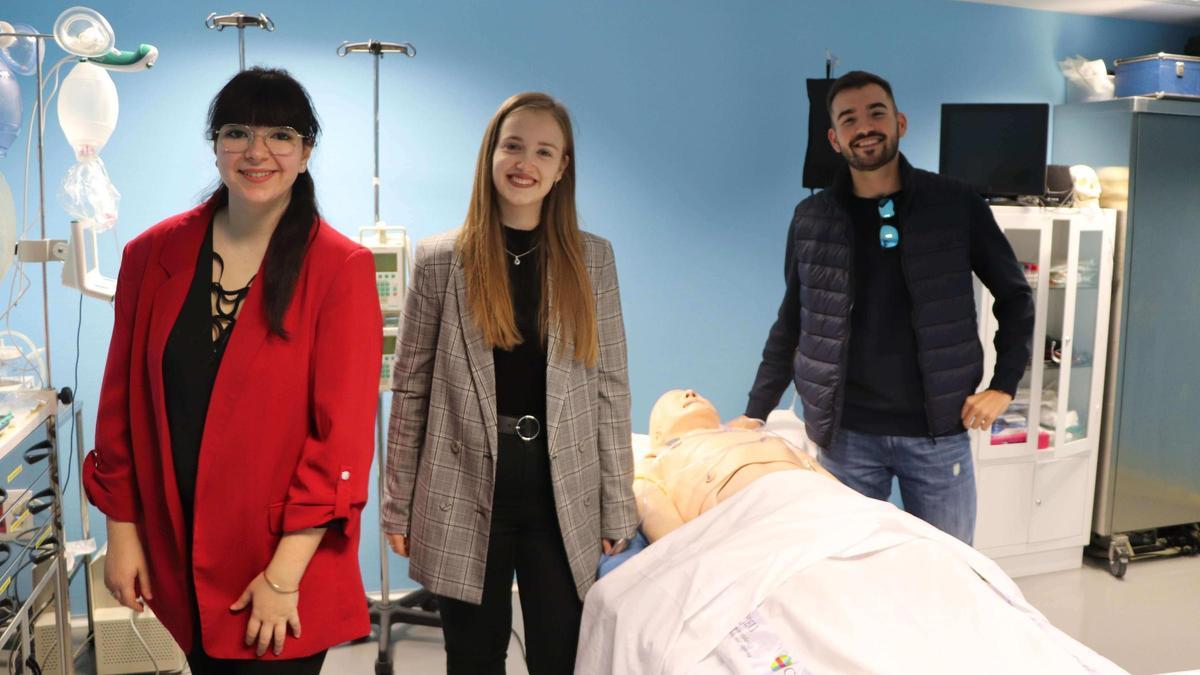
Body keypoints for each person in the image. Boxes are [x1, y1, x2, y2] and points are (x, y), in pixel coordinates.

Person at [83, 67, 382, 673]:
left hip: (277, 565)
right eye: (237, 132)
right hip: (176, 550)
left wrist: (284, 575)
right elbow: (119, 405)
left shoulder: (339, 268)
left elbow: (341, 441)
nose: (257, 152)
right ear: (216, 146)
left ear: (306, 153)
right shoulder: (151, 255)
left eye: (280, 136)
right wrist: (122, 531)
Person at [382, 92, 639, 675]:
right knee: (473, 657)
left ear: (562, 167)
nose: (526, 162)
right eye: (513, 145)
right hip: (463, 482)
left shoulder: (593, 260)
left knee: (560, 653)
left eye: (544, 151)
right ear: (491, 155)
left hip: (560, 488)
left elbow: (611, 387)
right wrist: (398, 506)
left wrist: (617, 503)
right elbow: (412, 390)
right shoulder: (440, 259)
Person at [735, 70, 1034, 544]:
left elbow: (1015, 295)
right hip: (847, 435)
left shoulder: (955, 203)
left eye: (876, 113)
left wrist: (1004, 385)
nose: (865, 127)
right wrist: (755, 413)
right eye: (849, 119)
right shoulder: (811, 219)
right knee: (851, 576)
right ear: (834, 139)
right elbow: (792, 322)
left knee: (948, 571)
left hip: (938, 432)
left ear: (900, 122)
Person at [633, 389, 835, 542]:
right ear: (657, 435)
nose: (690, 393)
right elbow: (656, 514)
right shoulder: (655, 461)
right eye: (674, 398)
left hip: (823, 500)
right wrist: (688, 554)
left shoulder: (756, 436)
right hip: (750, 520)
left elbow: (817, 471)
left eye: (694, 393)